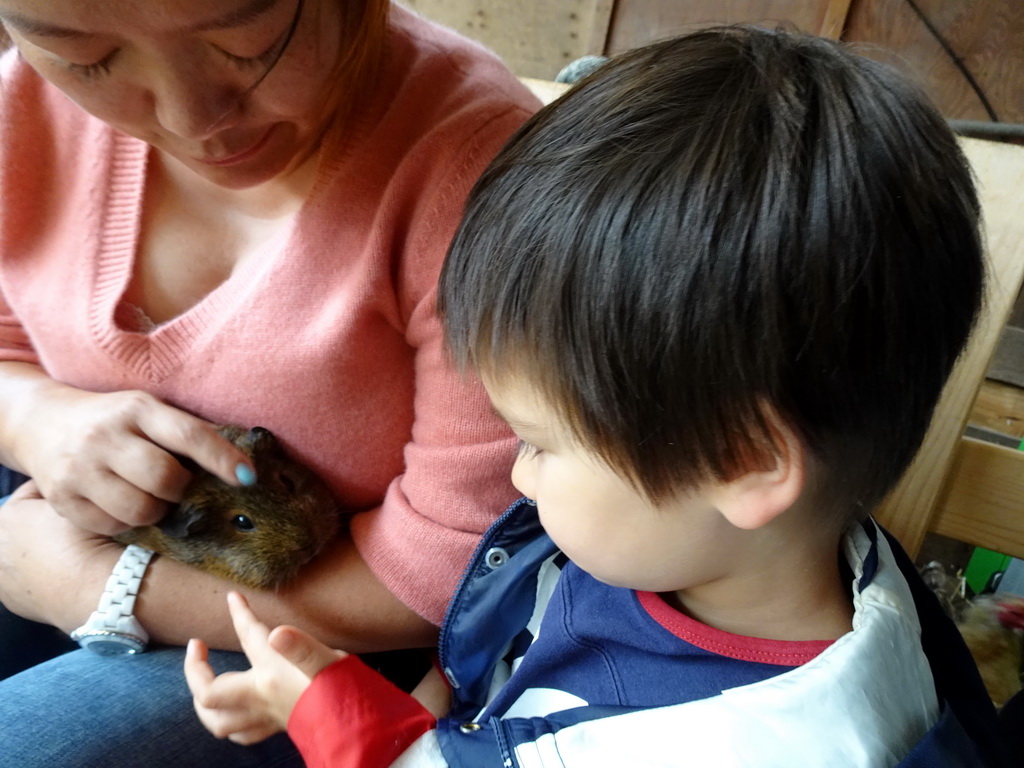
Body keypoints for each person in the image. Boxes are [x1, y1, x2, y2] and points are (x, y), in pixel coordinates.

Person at [183, 25, 1014, 767]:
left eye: (540, 444)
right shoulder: (680, 547)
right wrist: (366, 703)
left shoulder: (744, 743)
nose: (519, 478)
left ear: (742, 461)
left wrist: (331, 719)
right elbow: (498, 672)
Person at [0, 0, 539, 764]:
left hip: (339, 624)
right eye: (86, 58)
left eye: (248, 42)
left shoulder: (478, 175)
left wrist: (105, 590)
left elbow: (471, 565)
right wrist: (35, 418)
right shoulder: (17, 110)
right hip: (45, 519)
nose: (195, 121)